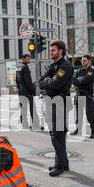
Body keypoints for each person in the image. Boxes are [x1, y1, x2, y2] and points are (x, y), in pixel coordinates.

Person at [38, 40, 73, 177]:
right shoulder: (54, 66)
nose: (51, 52)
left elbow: (56, 84)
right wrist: (49, 81)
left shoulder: (65, 66)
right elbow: (40, 82)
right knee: (57, 135)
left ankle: (60, 166)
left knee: (57, 135)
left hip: (59, 102)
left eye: (53, 50)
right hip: (52, 101)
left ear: (61, 51)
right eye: (50, 50)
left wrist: (48, 81)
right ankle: (63, 162)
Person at [71, 55, 94, 139]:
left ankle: (93, 130)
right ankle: (78, 129)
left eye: (85, 61)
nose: (83, 62)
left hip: (87, 95)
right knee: (79, 114)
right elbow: (74, 81)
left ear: (89, 61)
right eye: (82, 61)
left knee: (89, 114)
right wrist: (80, 80)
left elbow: (88, 79)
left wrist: (80, 80)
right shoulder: (79, 70)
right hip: (79, 95)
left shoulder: (91, 71)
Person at [16, 54, 41, 130]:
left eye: (29, 59)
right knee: (32, 108)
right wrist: (33, 90)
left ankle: (25, 125)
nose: (29, 60)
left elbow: (17, 80)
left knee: (23, 109)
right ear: (23, 59)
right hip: (27, 92)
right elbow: (28, 81)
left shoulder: (19, 67)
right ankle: (36, 125)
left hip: (21, 91)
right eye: (27, 59)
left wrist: (19, 88)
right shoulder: (25, 68)